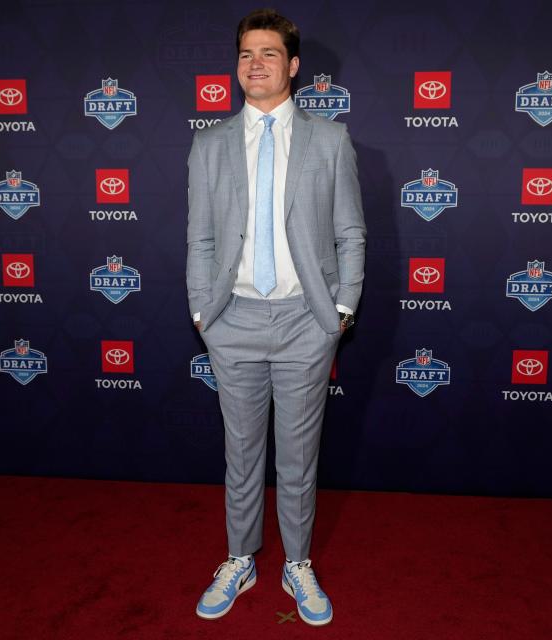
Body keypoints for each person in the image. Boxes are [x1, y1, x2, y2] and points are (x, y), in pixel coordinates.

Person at [186, 8, 366, 626]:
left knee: (298, 454)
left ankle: (297, 563)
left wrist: (339, 310)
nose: (254, 64)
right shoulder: (208, 144)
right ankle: (240, 557)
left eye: (268, 54)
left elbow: (350, 230)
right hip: (230, 322)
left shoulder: (330, 138)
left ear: (292, 66)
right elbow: (201, 239)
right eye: (245, 54)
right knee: (240, 453)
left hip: (303, 323)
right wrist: (201, 312)